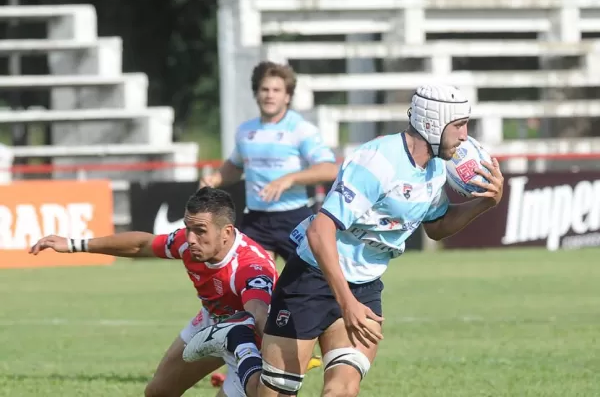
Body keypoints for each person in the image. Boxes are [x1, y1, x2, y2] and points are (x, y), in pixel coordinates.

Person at [183, 84, 506, 396]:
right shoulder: (377, 162)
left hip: (365, 285)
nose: (465, 136)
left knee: (343, 389)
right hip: (311, 281)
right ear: (434, 123)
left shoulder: (436, 168)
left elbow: (436, 227)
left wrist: (485, 202)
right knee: (275, 391)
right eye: (460, 125)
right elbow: (319, 231)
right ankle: (237, 343)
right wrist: (346, 303)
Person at [29, 187, 280, 397]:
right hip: (209, 322)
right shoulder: (186, 241)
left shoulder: (250, 267)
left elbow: (260, 315)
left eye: (200, 231)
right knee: (157, 393)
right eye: (188, 227)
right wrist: (74, 244)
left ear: (226, 232)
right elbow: (142, 245)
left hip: (249, 341)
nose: (191, 238)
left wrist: (284, 361)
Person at [200, 60, 339, 263]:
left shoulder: (301, 129)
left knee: (307, 286)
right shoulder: (245, 131)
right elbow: (235, 166)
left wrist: (289, 179)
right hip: (256, 221)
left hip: (293, 218)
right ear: (256, 93)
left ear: (287, 96)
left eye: (276, 90)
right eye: (265, 89)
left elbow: (329, 169)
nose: (270, 95)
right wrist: (215, 179)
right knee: (254, 285)